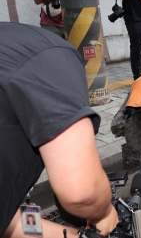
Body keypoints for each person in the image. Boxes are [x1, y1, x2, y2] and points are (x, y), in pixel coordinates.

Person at [0, 23, 118, 238]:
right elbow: (83, 193)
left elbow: (8, 217)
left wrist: (75, 236)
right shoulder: (49, 54)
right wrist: (105, 211)